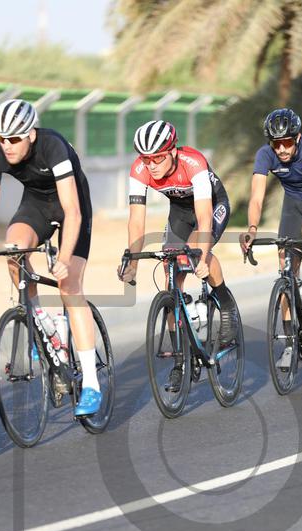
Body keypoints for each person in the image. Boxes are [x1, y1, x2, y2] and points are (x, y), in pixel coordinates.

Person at [0, 98, 101, 416]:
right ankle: (41, 322)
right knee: (13, 250)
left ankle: (91, 384)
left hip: (73, 205)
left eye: (14, 138)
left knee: (69, 286)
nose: (6, 145)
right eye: (1, 138)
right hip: (36, 204)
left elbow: (73, 211)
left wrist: (64, 257)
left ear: (30, 134)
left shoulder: (52, 146)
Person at [120, 120, 236, 389]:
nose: (151, 165)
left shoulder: (193, 163)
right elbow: (136, 220)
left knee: (193, 253)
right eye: (146, 158)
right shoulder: (139, 170)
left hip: (211, 206)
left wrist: (202, 256)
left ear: (172, 151)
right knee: (170, 275)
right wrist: (132, 262)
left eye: (158, 158)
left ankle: (225, 303)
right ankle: (181, 362)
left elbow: (204, 217)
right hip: (180, 213)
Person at [239, 108, 302, 370]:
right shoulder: (265, 155)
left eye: (286, 142)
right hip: (293, 203)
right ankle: (289, 343)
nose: (281, 149)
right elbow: (257, 198)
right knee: (285, 264)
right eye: (276, 144)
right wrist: (252, 228)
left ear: (297, 138)